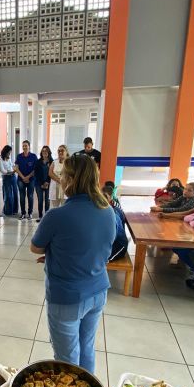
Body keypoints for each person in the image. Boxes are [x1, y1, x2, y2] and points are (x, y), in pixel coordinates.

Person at [31, 155, 114, 373]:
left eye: (64, 175)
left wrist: (56, 252)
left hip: (68, 297)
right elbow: (102, 248)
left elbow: (36, 247)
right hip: (98, 290)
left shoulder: (57, 215)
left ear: (71, 179)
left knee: (67, 359)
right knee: (87, 348)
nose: (61, 178)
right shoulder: (108, 211)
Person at [102, 182, 129, 262]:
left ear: (110, 198)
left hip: (119, 247)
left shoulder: (113, 214)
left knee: (99, 259)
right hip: (111, 242)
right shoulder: (106, 211)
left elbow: (111, 237)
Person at [15, 140, 37, 220]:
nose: (24, 147)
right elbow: (16, 168)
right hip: (21, 179)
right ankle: (23, 213)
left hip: (31, 179)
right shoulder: (19, 156)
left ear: (29, 146)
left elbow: (35, 169)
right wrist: (23, 177)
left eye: (26, 145)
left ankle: (30, 213)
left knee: (30, 196)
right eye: (23, 145)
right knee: (22, 196)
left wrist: (28, 177)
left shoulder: (34, 156)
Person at [35, 145, 53, 222]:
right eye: (43, 151)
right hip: (39, 184)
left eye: (46, 151)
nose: (44, 152)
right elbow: (36, 174)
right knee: (40, 200)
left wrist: (47, 182)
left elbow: (52, 173)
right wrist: (42, 183)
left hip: (48, 184)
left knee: (47, 201)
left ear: (48, 152)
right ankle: (40, 216)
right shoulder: (38, 162)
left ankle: (46, 217)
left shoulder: (52, 162)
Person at [0, 145, 17, 216]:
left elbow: (12, 165)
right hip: (6, 178)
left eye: (10, 152)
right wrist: (11, 171)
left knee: (15, 194)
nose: (9, 154)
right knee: (8, 195)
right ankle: (8, 212)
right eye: (8, 152)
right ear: (5, 151)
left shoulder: (9, 158)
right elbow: (3, 171)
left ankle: (14, 210)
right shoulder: (0, 159)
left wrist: (13, 169)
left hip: (13, 177)